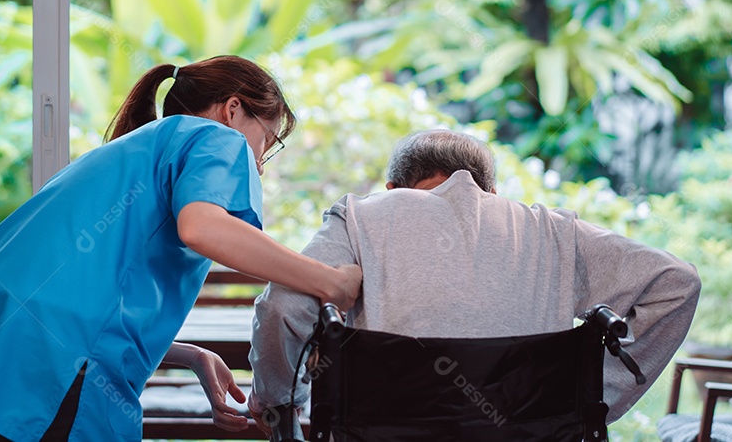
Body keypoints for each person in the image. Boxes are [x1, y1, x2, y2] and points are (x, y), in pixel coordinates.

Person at [0, 55, 363, 442]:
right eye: (267, 142)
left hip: (1, 340)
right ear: (233, 109)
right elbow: (202, 228)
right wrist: (329, 281)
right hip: (57, 357)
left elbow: (86, 297)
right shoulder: (216, 137)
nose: (260, 166)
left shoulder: (133, 149)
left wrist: (191, 355)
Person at [248, 129, 701, 436]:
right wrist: (593, 397)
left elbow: (283, 308)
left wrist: (279, 403)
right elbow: (677, 283)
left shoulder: (360, 217)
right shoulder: (556, 232)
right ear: (492, 193)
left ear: (393, 189)